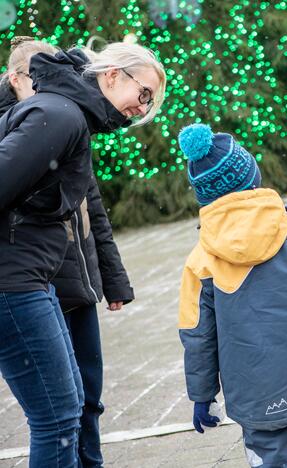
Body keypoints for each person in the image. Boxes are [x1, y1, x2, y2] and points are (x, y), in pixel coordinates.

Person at [0, 41, 165, 467]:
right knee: (56, 417)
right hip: (12, 282)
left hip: (30, 278)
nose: (142, 108)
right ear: (111, 75)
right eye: (143, 94)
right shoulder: (61, 116)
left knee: (69, 408)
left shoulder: (68, 115)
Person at [177, 124, 287, 467]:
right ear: (252, 176)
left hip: (253, 393)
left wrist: (202, 395)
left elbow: (198, 335)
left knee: (272, 461)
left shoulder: (200, 262)